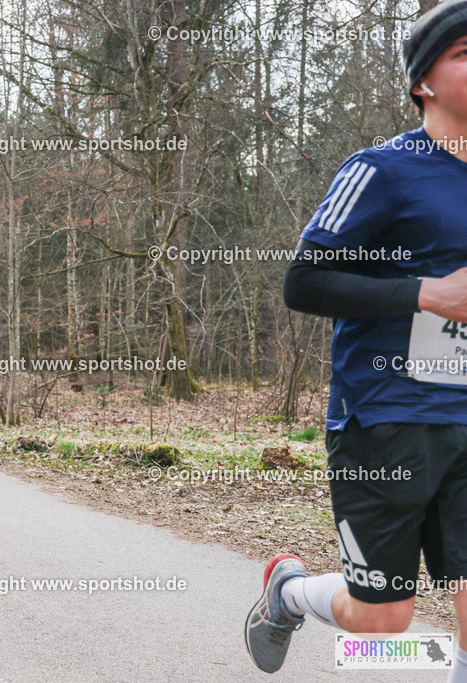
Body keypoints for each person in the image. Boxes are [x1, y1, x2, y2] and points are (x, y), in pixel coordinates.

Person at [245, 3, 467, 677]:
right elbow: (303, 283)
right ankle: (287, 591)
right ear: (421, 81)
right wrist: (423, 293)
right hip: (388, 417)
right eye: (465, 53)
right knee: (384, 620)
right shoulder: (384, 169)